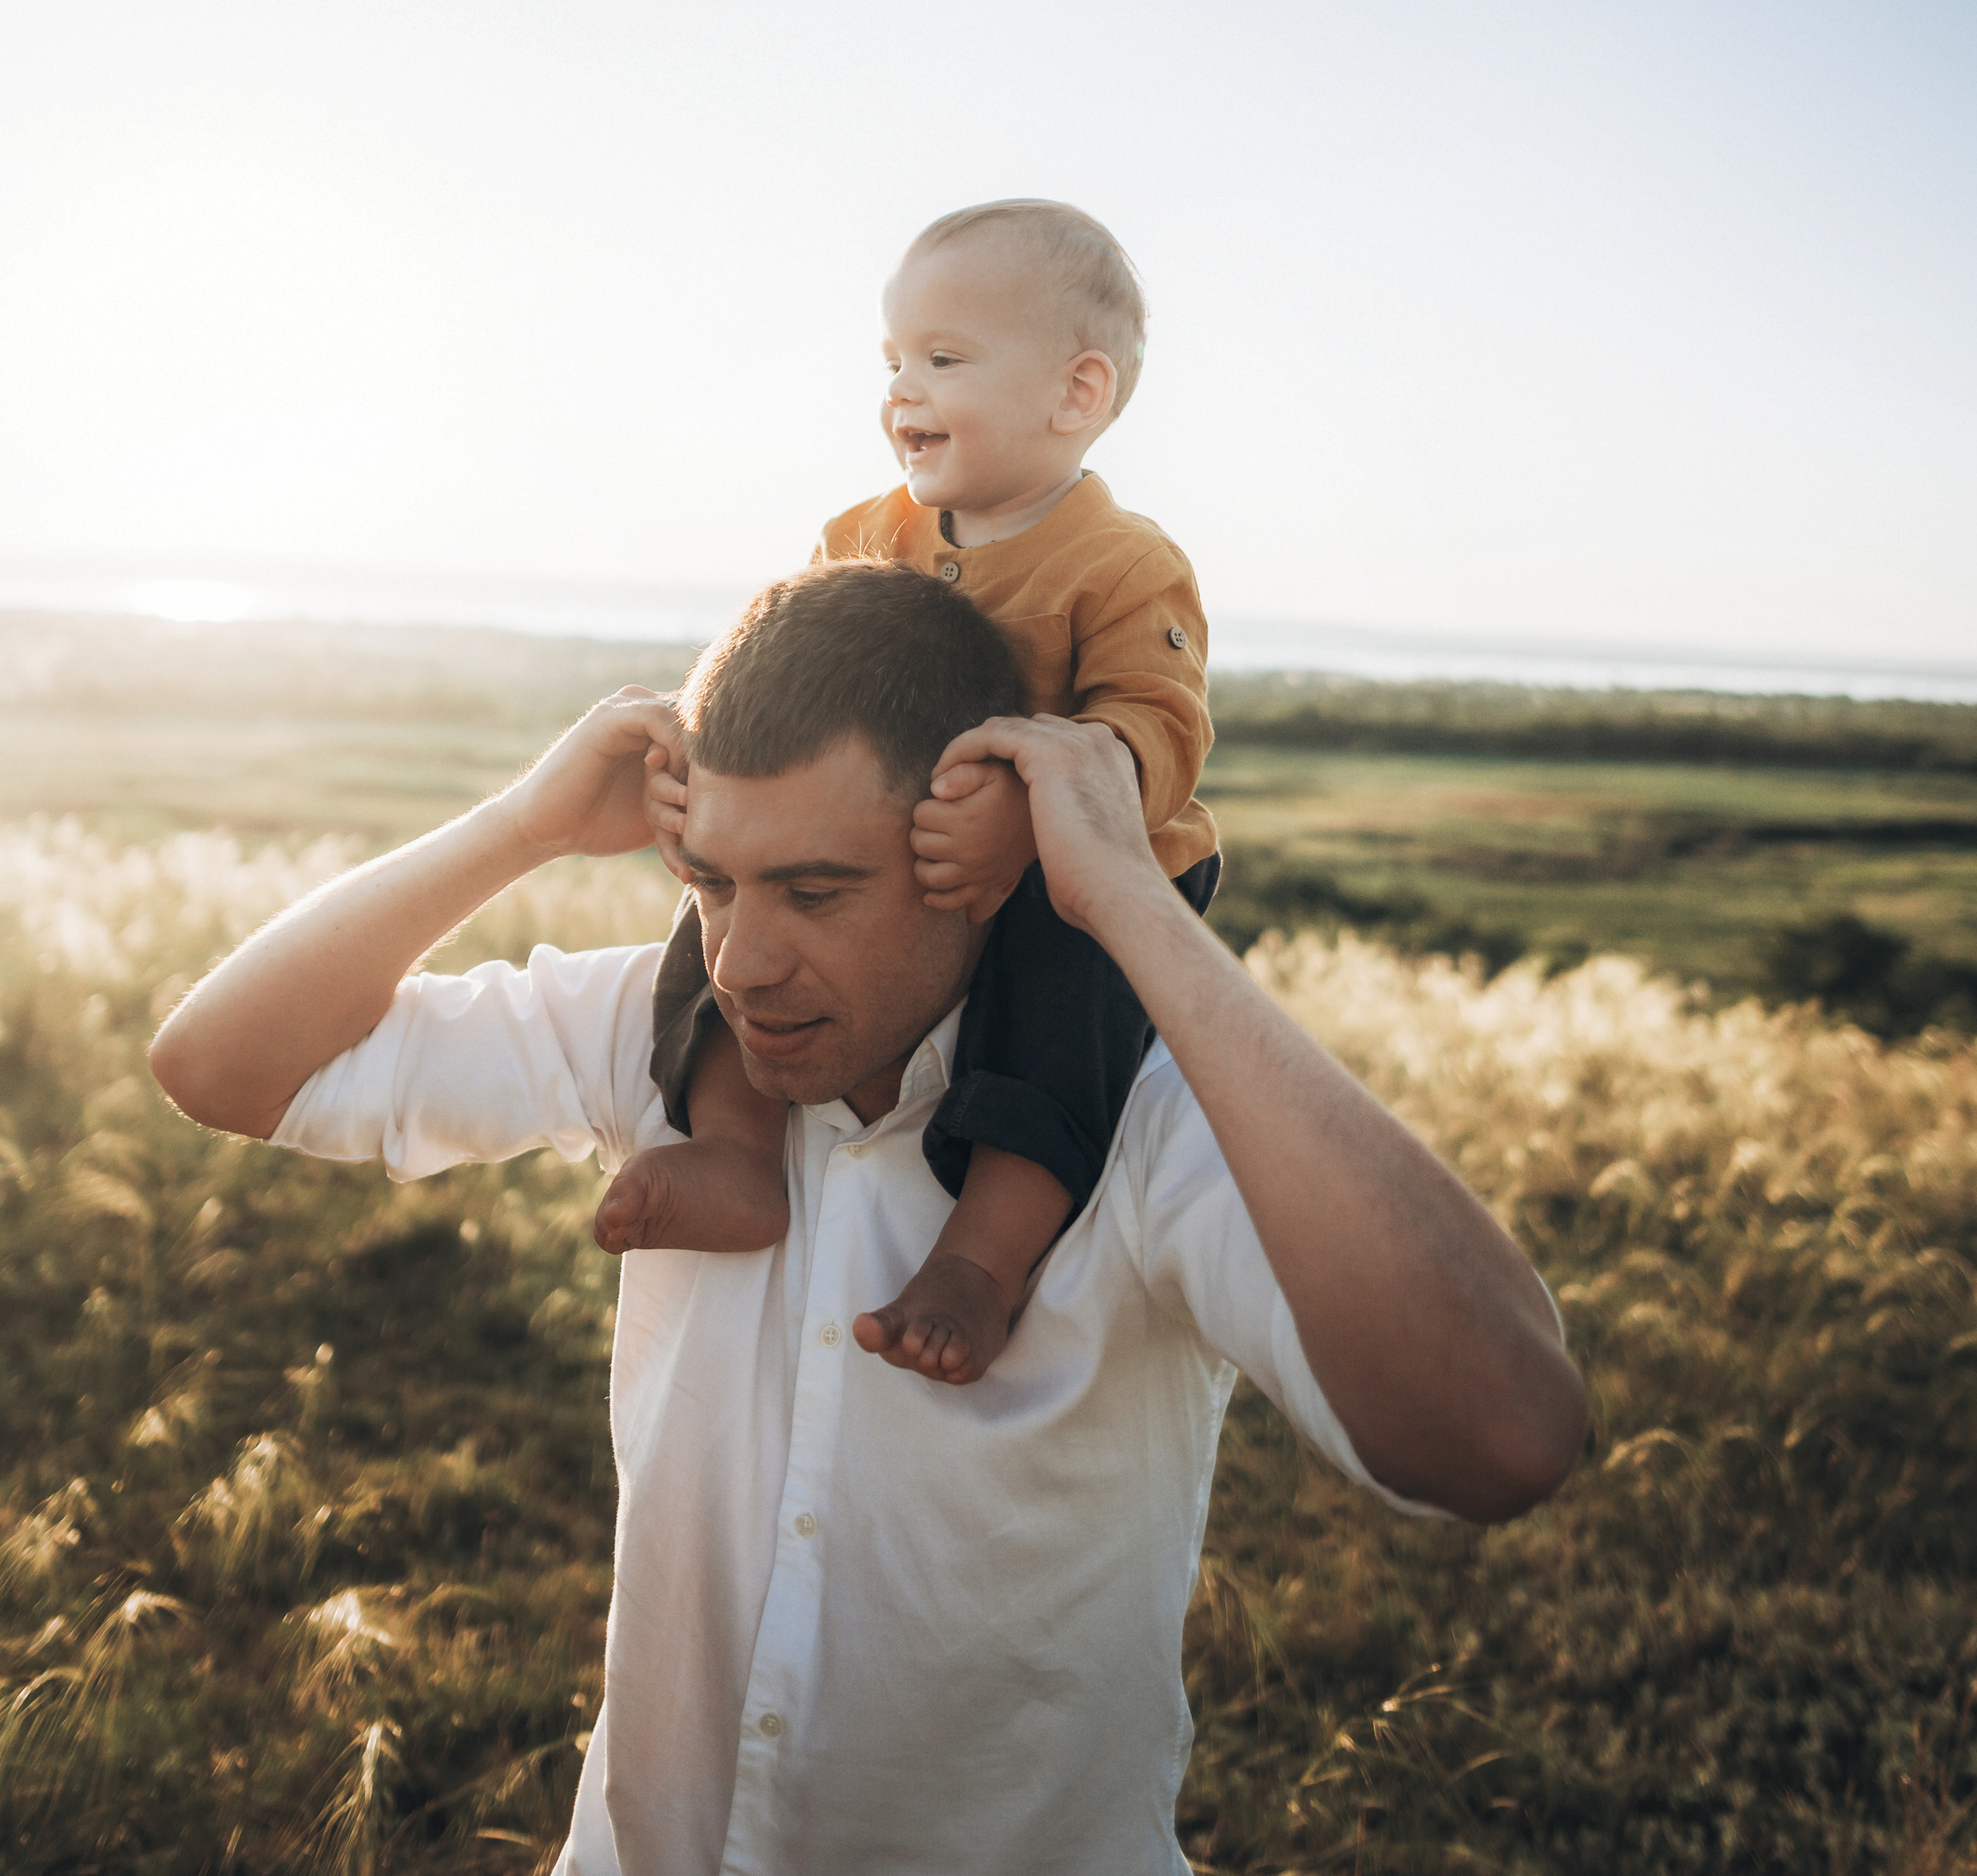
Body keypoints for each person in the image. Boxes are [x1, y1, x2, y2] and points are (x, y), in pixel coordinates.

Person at [148, 561, 1587, 1876]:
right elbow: (218, 1068)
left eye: (816, 892)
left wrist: (1128, 902)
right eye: (713, 884)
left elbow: (1504, 1437)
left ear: (989, 868)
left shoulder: (1147, 1126)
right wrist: (523, 826)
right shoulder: (662, 1034)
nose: (743, 961)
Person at [607, 197, 1221, 1385]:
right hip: (892, 857)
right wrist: (701, 765)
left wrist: (1036, 819)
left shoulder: (1123, 564)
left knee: (1064, 1013)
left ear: (1077, 393)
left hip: (1081, 870)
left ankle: (982, 1260)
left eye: (943, 360)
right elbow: (783, 675)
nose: (902, 391)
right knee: (727, 927)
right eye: (892, 361)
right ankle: (737, 1151)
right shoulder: (865, 531)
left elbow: (1158, 724)